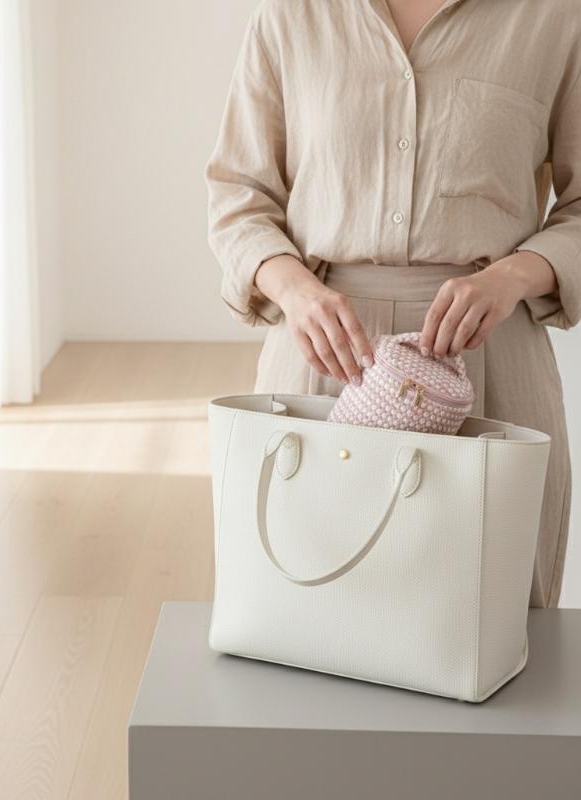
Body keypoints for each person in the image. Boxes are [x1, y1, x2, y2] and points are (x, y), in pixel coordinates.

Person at [204, 0, 580, 608]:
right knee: (298, 612)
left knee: (495, 617)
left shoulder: (554, 17)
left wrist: (511, 277)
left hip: (489, 359)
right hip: (321, 361)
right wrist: (294, 289)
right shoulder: (291, 14)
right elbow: (237, 195)